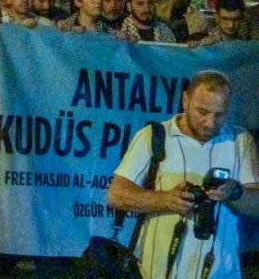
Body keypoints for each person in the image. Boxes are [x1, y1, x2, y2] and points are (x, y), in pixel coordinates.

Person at [107, 70, 259, 279]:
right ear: (185, 100)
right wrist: (165, 200)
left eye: (219, 114)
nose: (210, 122)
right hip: (157, 272)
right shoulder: (154, 137)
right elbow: (116, 194)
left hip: (222, 272)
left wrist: (235, 191)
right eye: (202, 112)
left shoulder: (240, 141)